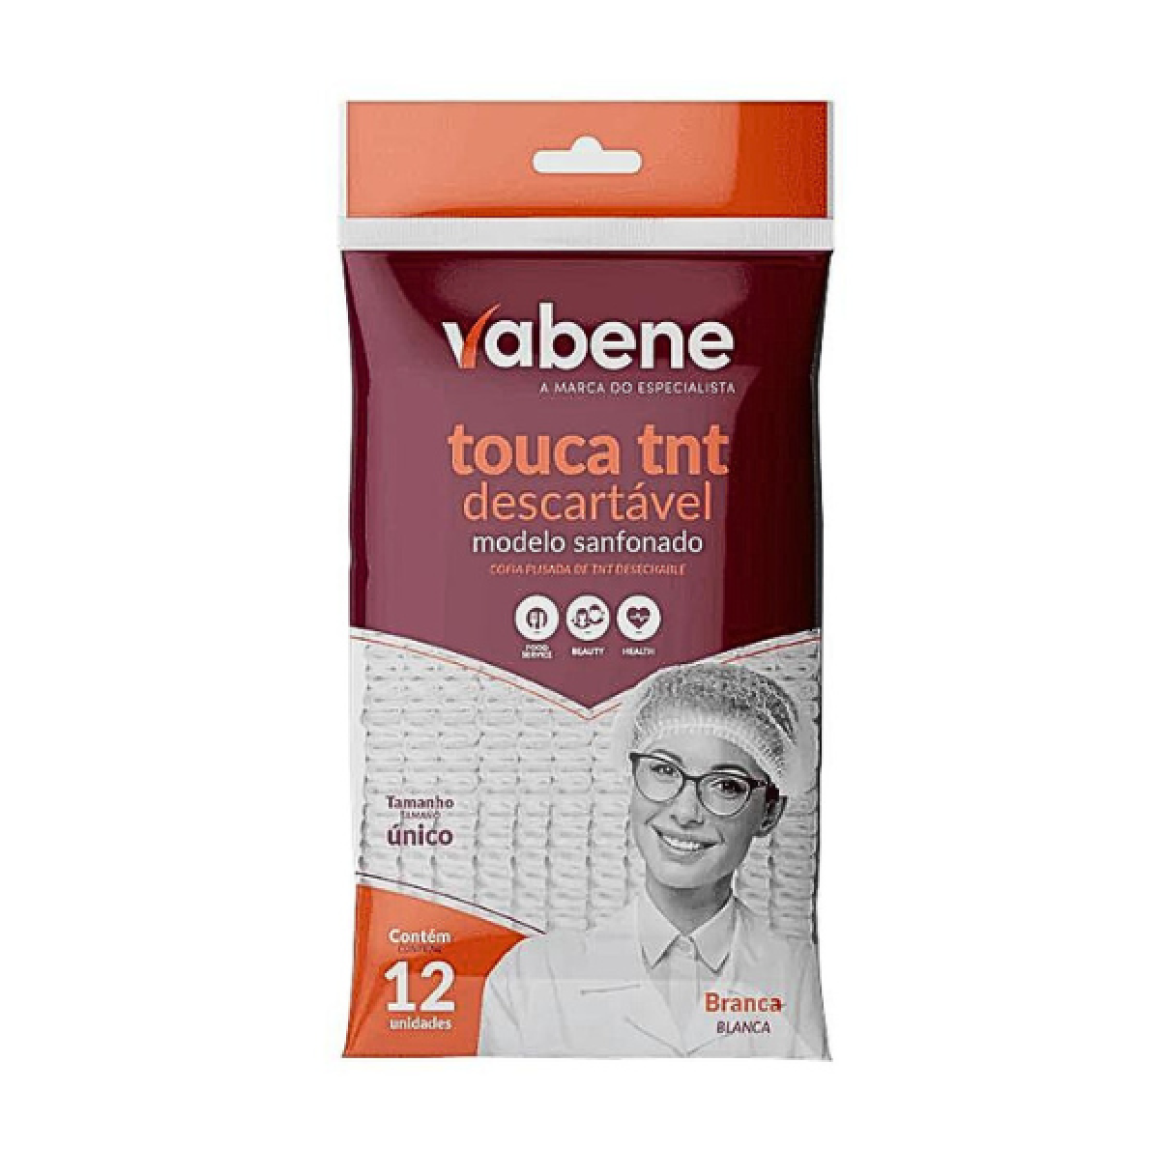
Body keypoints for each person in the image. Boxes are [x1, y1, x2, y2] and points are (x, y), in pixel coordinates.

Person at [478, 662, 828, 1058]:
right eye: (664, 770)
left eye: (726, 785)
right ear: (633, 779)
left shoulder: (806, 979)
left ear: (769, 812)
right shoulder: (531, 977)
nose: (685, 812)